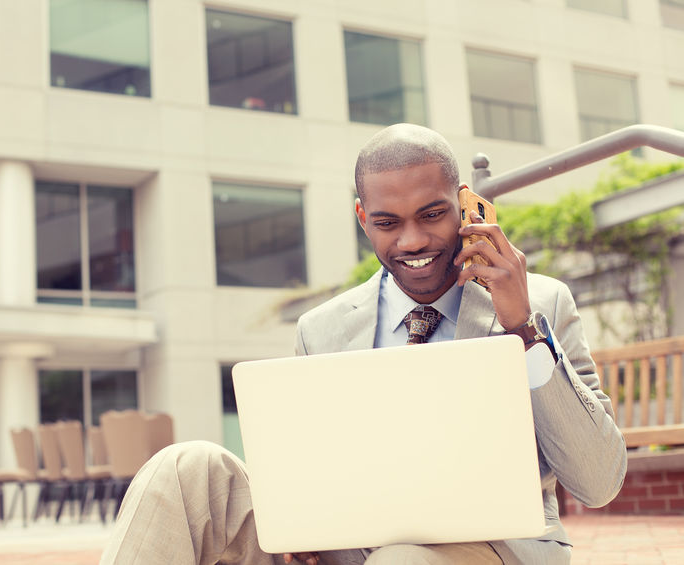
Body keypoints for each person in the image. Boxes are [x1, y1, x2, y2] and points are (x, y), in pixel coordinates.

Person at [99, 124, 627, 565]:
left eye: (432, 214)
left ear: (468, 205)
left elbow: (598, 481)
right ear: (361, 219)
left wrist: (522, 330)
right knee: (185, 468)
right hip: (349, 549)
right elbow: (309, 469)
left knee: (401, 558)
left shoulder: (540, 304)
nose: (413, 241)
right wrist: (300, 523)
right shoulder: (322, 328)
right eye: (387, 223)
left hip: (492, 550)